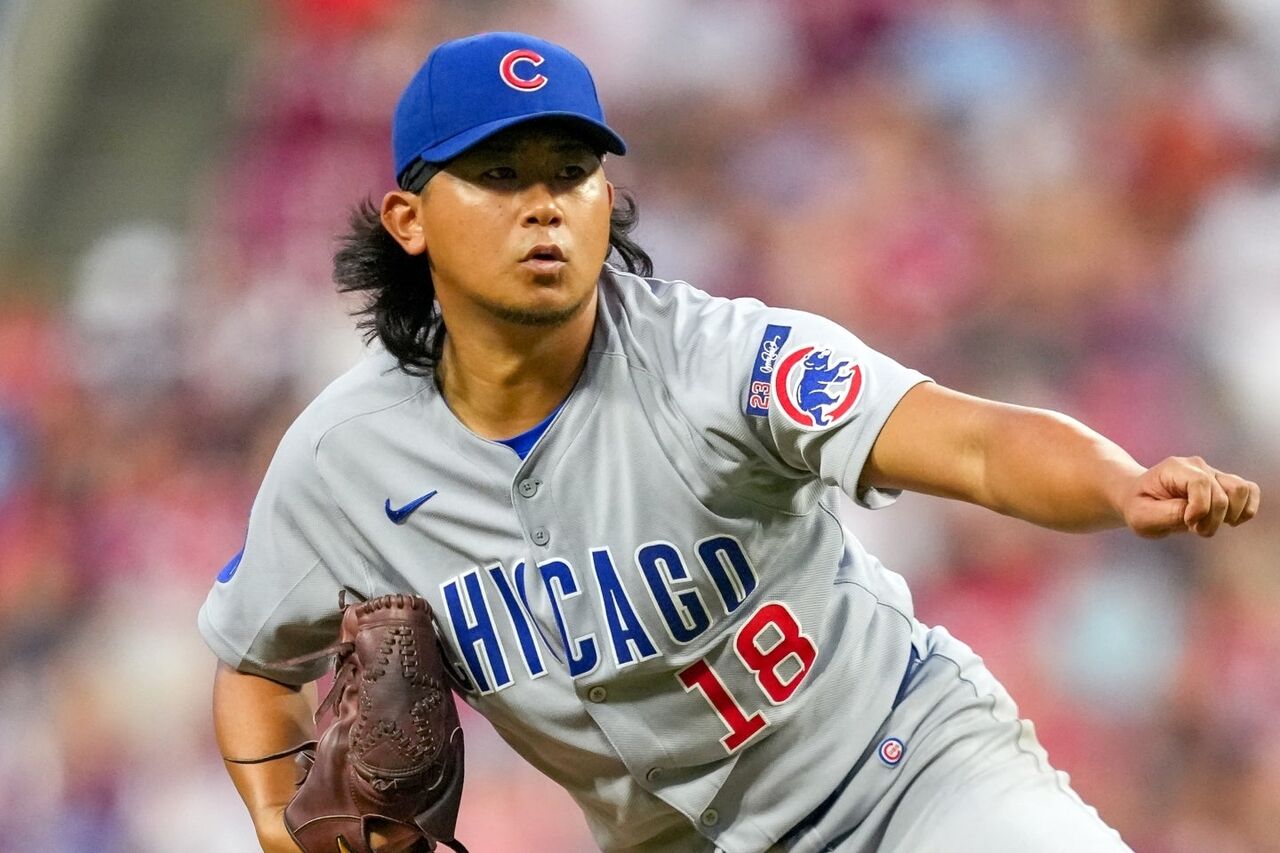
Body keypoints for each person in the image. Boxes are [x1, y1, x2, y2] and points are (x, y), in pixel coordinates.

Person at [200, 31, 1261, 853]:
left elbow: (974, 441)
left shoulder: (719, 361)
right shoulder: (345, 458)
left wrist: (1118, 484)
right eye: (500, 174)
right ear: (409, 219)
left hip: (909, 780)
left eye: (569, 171)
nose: (544, 206)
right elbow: (253, 664)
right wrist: (278, 825)